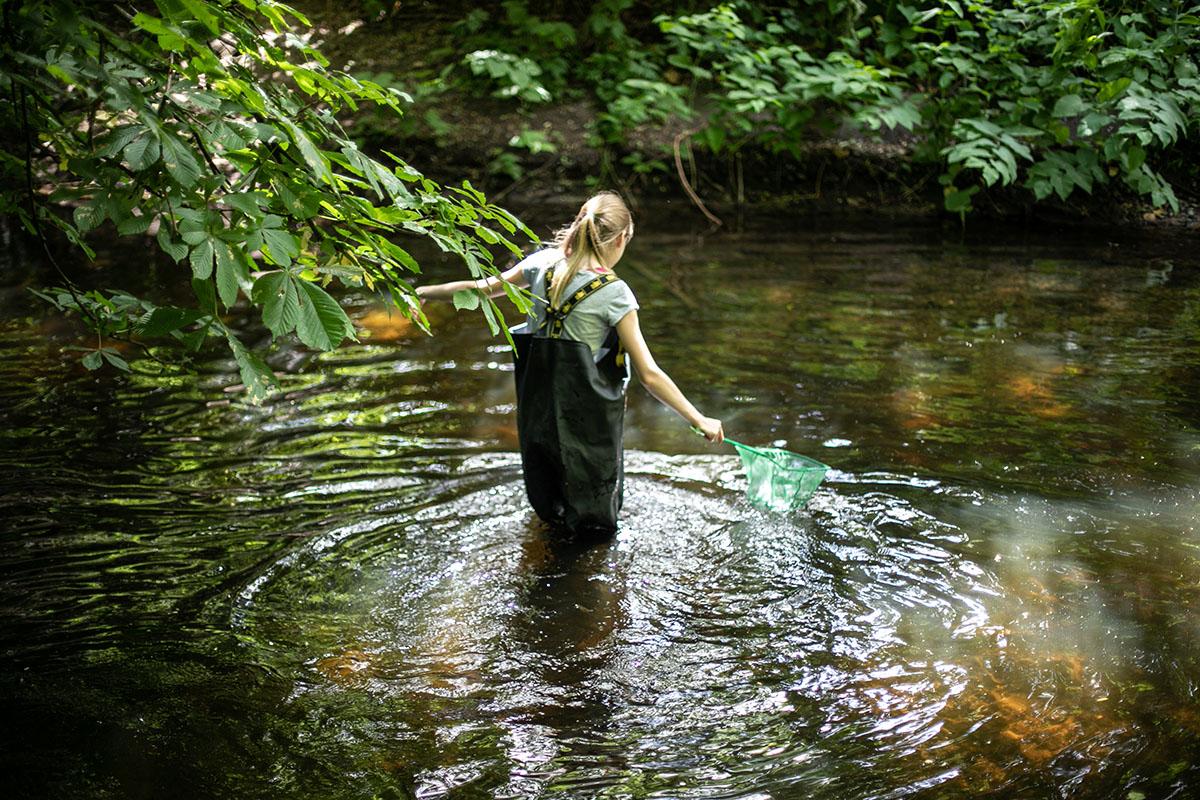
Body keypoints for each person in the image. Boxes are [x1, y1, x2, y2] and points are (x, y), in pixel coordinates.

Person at [416, 191, 724, 536]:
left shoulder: (540, 264)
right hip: (585, 415)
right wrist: (699, 419)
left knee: (549, 502)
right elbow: (649, 375)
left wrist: (422, 292)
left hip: (537, 406)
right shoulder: (615, 293)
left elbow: (478, 289)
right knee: (594, 517)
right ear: (622, 239)